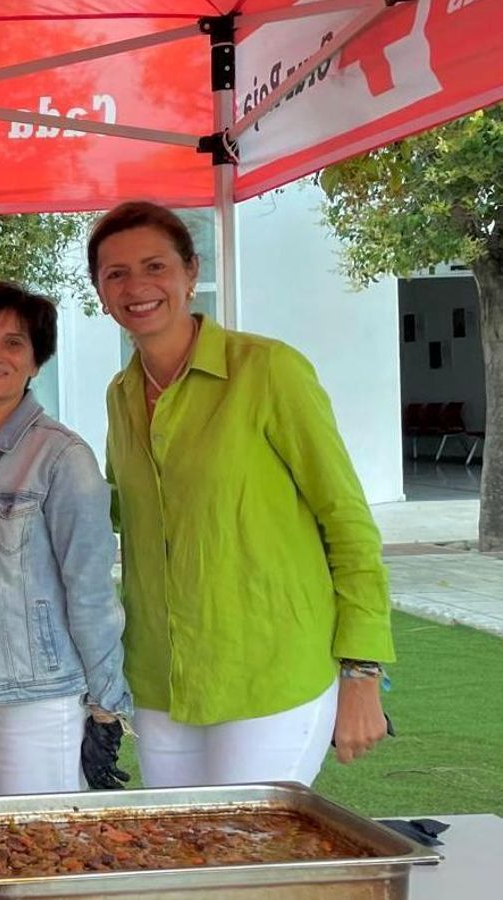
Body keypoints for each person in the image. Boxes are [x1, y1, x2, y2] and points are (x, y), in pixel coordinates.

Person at [93, 200, 395, 788]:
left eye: (155, 267)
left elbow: (347, 521)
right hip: (161, 682)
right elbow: (118, 512)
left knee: (249, 866)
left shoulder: (269, 371)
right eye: (116, 274)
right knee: (181, 865)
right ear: (101, 294)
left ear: (189, 271)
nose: (137, 287)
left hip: (270, 673)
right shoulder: (121, 394)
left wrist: (361, 673)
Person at [0, 281, 131, 798]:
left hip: (36, 693)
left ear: (37, 361)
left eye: (15, 343)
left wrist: (105, 705)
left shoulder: (61, 457)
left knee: (36, 851)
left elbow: (90, 589)